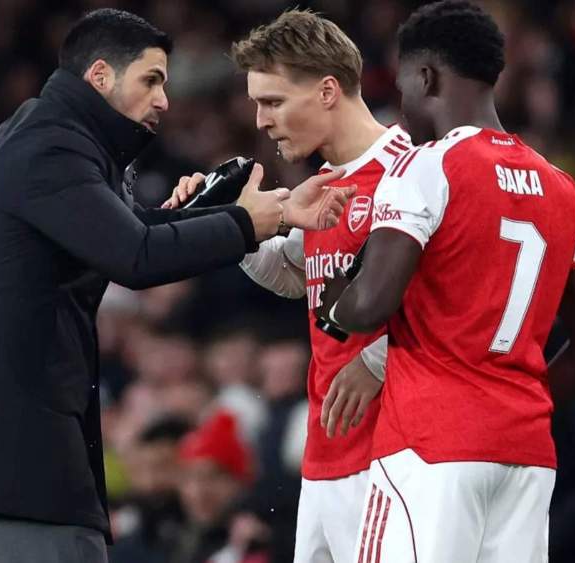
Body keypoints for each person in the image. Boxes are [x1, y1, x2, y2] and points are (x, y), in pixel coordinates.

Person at [0, 9, 348, 563]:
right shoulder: (52, 147)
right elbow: (134, 256)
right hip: (12, 450)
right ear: (101, 76)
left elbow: (127, 234)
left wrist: (257, 209)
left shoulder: (46, 137)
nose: (164, 100)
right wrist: (253, 224)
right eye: (151, 80)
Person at [315, 2, 575, 561]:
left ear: (425, 76)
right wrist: (519, 403)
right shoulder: (562, 187)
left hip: (431, 443)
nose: (401, 103)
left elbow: (370, 304)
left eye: (402, 82)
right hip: (524, 450)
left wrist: (334, 297)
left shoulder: (424, 166)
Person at [163, 10, 409, 562]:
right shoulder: (326, 185)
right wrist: (236, 222)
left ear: (327, 91)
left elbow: (461, 296)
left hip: (392, 457)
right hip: (324, 457)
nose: (260, 120)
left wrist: (377, 361)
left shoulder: (412, 176)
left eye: (272, 102)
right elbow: (298, 277)